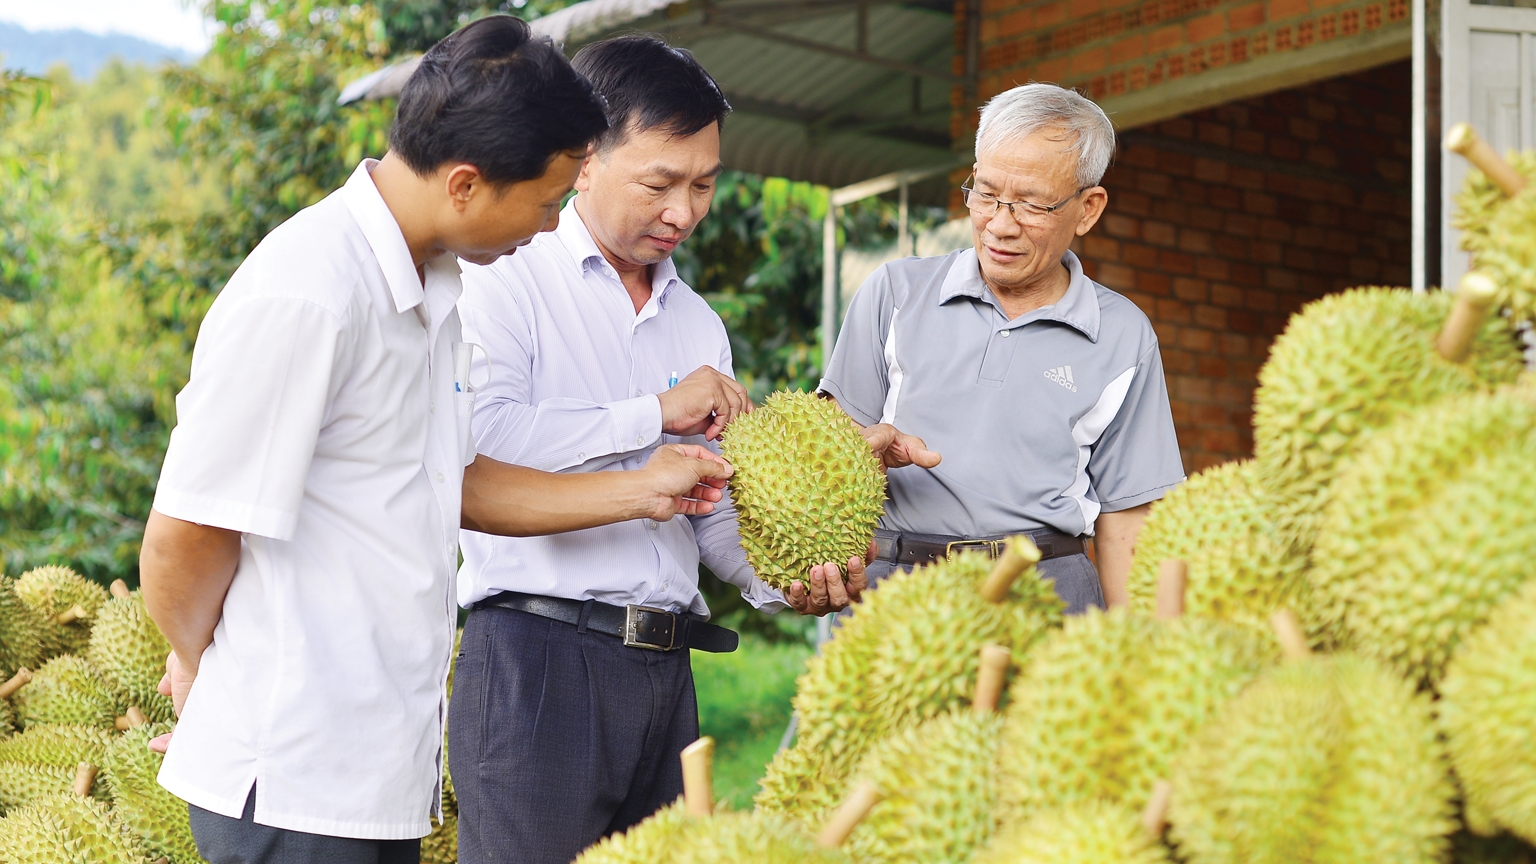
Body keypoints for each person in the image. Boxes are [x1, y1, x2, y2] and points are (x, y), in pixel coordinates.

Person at [138, 18, 734, 864]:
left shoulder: (434, 288)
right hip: (292, 771)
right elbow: (185, 536)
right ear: (465, 183)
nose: (546, 224)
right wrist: (204, 669)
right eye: (542, 199)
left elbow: (456, 483)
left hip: (379, 775)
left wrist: (648, 488)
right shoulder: (309, 290)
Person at [448, 35, 924, 864]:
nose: (685, 211)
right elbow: (479, 448)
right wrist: (653, 414)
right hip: (535, 663)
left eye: (703, 184)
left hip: (665, 671)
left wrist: (786, 580)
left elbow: (706, 515)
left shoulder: (699, 324)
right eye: (661, 183)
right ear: (584, 160)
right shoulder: (503, 280)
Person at [820, 82, 1185, 614]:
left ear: (1087, 209)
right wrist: (861, 452)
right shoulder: (895, 292)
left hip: (1048, 596)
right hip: (896, 589)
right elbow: (828, 446)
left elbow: (1127, 519)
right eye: (986, 194)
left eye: (1032, 205)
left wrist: (1140, 656)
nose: (1000, 224)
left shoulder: (1124, 334)